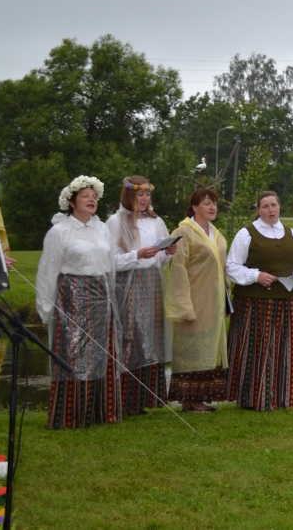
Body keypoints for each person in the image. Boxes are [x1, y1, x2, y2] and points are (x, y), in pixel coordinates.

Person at [36, 175, 121, 429]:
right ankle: (71, 414)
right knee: (74, 352)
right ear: (72, 202)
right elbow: (48, 269)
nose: (91, 199)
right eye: (85, 195)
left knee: (101, 352)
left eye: (94, 196)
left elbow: (110, 264)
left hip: (100, 293)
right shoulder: (60, 231)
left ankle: (100, 411)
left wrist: (111, 296)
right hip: (72, 295)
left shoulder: (102, 228)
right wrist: (46, 307)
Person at [226, 191, 293, 411]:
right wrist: (256, 276)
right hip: (255, 302)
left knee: (284, 350)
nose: (270, 210)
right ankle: (254, 398)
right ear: (258, 210)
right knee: (257, 349)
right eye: (265, 206)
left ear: (279, 207)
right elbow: (232, 266)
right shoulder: (246, 234)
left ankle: (282, 397)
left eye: (273, 205)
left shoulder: (291, 233)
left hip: (286, 301)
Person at [106, 176, 178, 414]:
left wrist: (166, 253)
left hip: (153, 283)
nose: (145, 199)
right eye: (140, 194)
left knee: (151, 336)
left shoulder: (156, 221)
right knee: (131, 336)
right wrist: (137, 255)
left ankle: (145, 399)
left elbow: (159, 259)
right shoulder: (116, 222)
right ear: (129, 195)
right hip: (128, 283)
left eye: (148, 194)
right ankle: (124, 399)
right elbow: (110, 260)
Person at [164, 188, 230, 413]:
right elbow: (178, 269)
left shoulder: (216, 233)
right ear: (194, 207)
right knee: (192, 349)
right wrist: (183, 304)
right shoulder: (184, 231)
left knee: (207, 348)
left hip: (213, 303)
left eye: (214, 203)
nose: (212, 207)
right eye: (206, 203)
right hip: (193, 300)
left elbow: (222, 267)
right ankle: (188, 400)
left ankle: (201, 397)